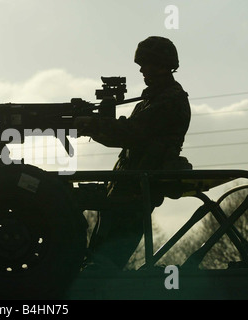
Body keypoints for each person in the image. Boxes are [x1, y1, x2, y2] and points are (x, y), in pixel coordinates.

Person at [75, 36, 191, 269]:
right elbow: (121, 137)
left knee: (105, 265)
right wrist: (91, 125)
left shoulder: (170, 100)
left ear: (160, 65)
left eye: (145, 64)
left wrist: (92, 124)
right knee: (97, 260)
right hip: (124, 188)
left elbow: (132, 133)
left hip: (138, 192)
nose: (141, 70)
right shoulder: (152, 99)